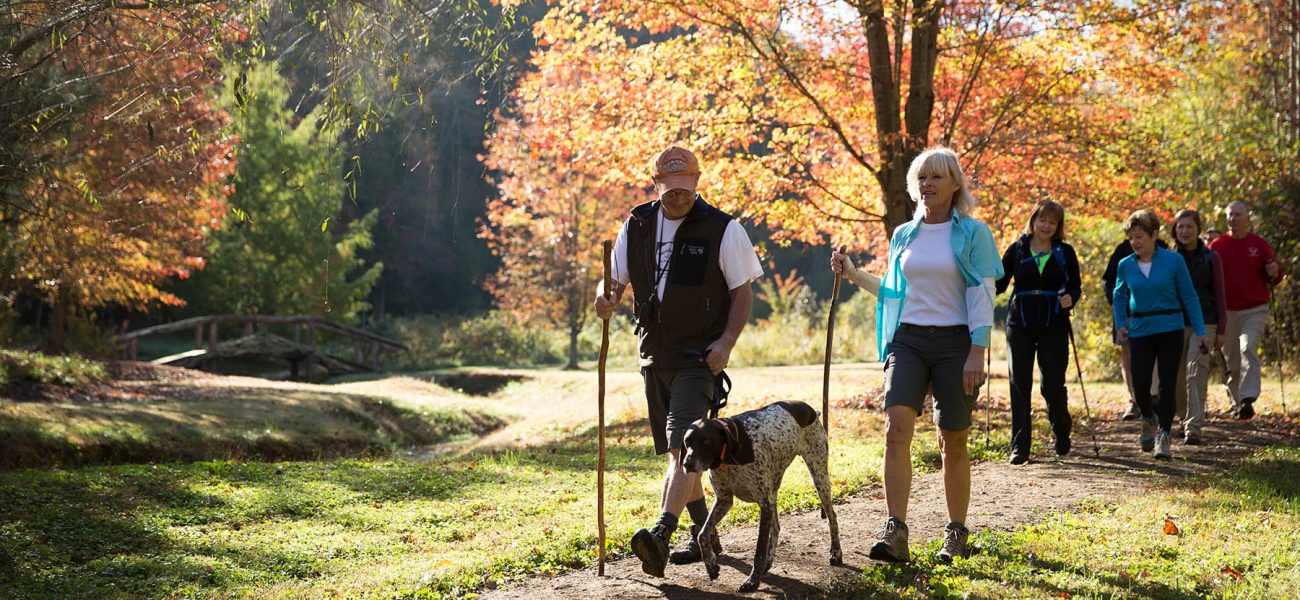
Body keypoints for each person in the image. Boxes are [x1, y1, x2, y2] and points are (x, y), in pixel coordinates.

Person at [593, 145, 764, 577]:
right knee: (679, 452)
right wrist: (605, 296)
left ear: (697, 181)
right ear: (656, 185)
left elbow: (742, 292)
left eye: (686, 188)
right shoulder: (636, 224)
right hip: (653, 356)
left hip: (699, 359)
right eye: (670, 190)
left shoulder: (723, 229)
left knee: (681, 447)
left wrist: (726, 342)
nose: (679, 197)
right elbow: (614, 279)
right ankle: (706, 534)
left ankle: (661, 533)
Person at [830, 146, 1001, 564]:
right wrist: (853, 273)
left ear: (954, 183)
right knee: (896, 427)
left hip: (956, 344)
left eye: (936, 177)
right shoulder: (904, 234)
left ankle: (956, 531)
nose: (927, 184)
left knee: (952, 440)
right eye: (921, 177)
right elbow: (893, 292)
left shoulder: (973, 233)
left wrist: (978, 349)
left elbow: (982, 294)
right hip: (907, 340)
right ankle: (896, 530)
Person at [1113, 210, 1209, 460]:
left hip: (1170, 328)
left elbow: (1189, 296)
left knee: (1167, 384)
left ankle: (1164, 435)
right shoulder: (1125, 265)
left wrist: (1200, 331)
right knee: (1141, 385)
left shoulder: (1173, 261)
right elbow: (1119, 295)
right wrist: (1121, 323)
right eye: (1131, 237)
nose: (1134, 242)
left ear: (1154, 235)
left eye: (1140, 236)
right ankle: (1147, 416)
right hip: (1140, 330)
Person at [994, 200, 1082, 464]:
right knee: (1019, 384)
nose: (1046, 225)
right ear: (1033, 221)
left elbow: (1075, 286)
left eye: (1052, 222)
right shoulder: (1017, 250)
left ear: (1058, 227)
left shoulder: (1065, 252)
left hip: (1053, 324)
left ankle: (1061, 429)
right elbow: (999, 284)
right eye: (1042, 220)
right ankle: (1020, 447)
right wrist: (980, 279)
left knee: (1052, 384)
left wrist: (1071, 298)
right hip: (1019, 323)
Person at [1209, 201, 1283, 420]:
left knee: (1247, 348)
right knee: (1230, 357)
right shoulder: (1217, 245)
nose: (1233, 219)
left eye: (1238, 215)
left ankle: (1248, 397)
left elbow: (1274, 277)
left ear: (1247, 217)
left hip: (1255, 308)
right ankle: (1237, 401)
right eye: (1230, 215)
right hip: (1226, 310)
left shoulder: (1259, 244)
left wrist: (1274, 271)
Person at [1172, 209, 1226, 444]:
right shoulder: (1169, 257)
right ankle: (1183, 417)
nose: (1184, 231)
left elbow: (1220, 294)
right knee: (1176, 375)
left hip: (1205, 321)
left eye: (1189, 226)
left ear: (1198, 229)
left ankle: (1193, 426)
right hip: (1175, 322)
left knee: (1197, 370)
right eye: (1180, 226)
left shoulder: (1211, 257)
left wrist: (1222, 329)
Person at [1103, 236, 1167, 420]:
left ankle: (1154, 396)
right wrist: (1116, 304)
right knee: (1129, 356)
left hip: (1155, 312)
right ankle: (1134, 400)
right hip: (1126, 313)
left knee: (1155, 355)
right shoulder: (1122, 249)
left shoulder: (1162, 248)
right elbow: (1109, 280)